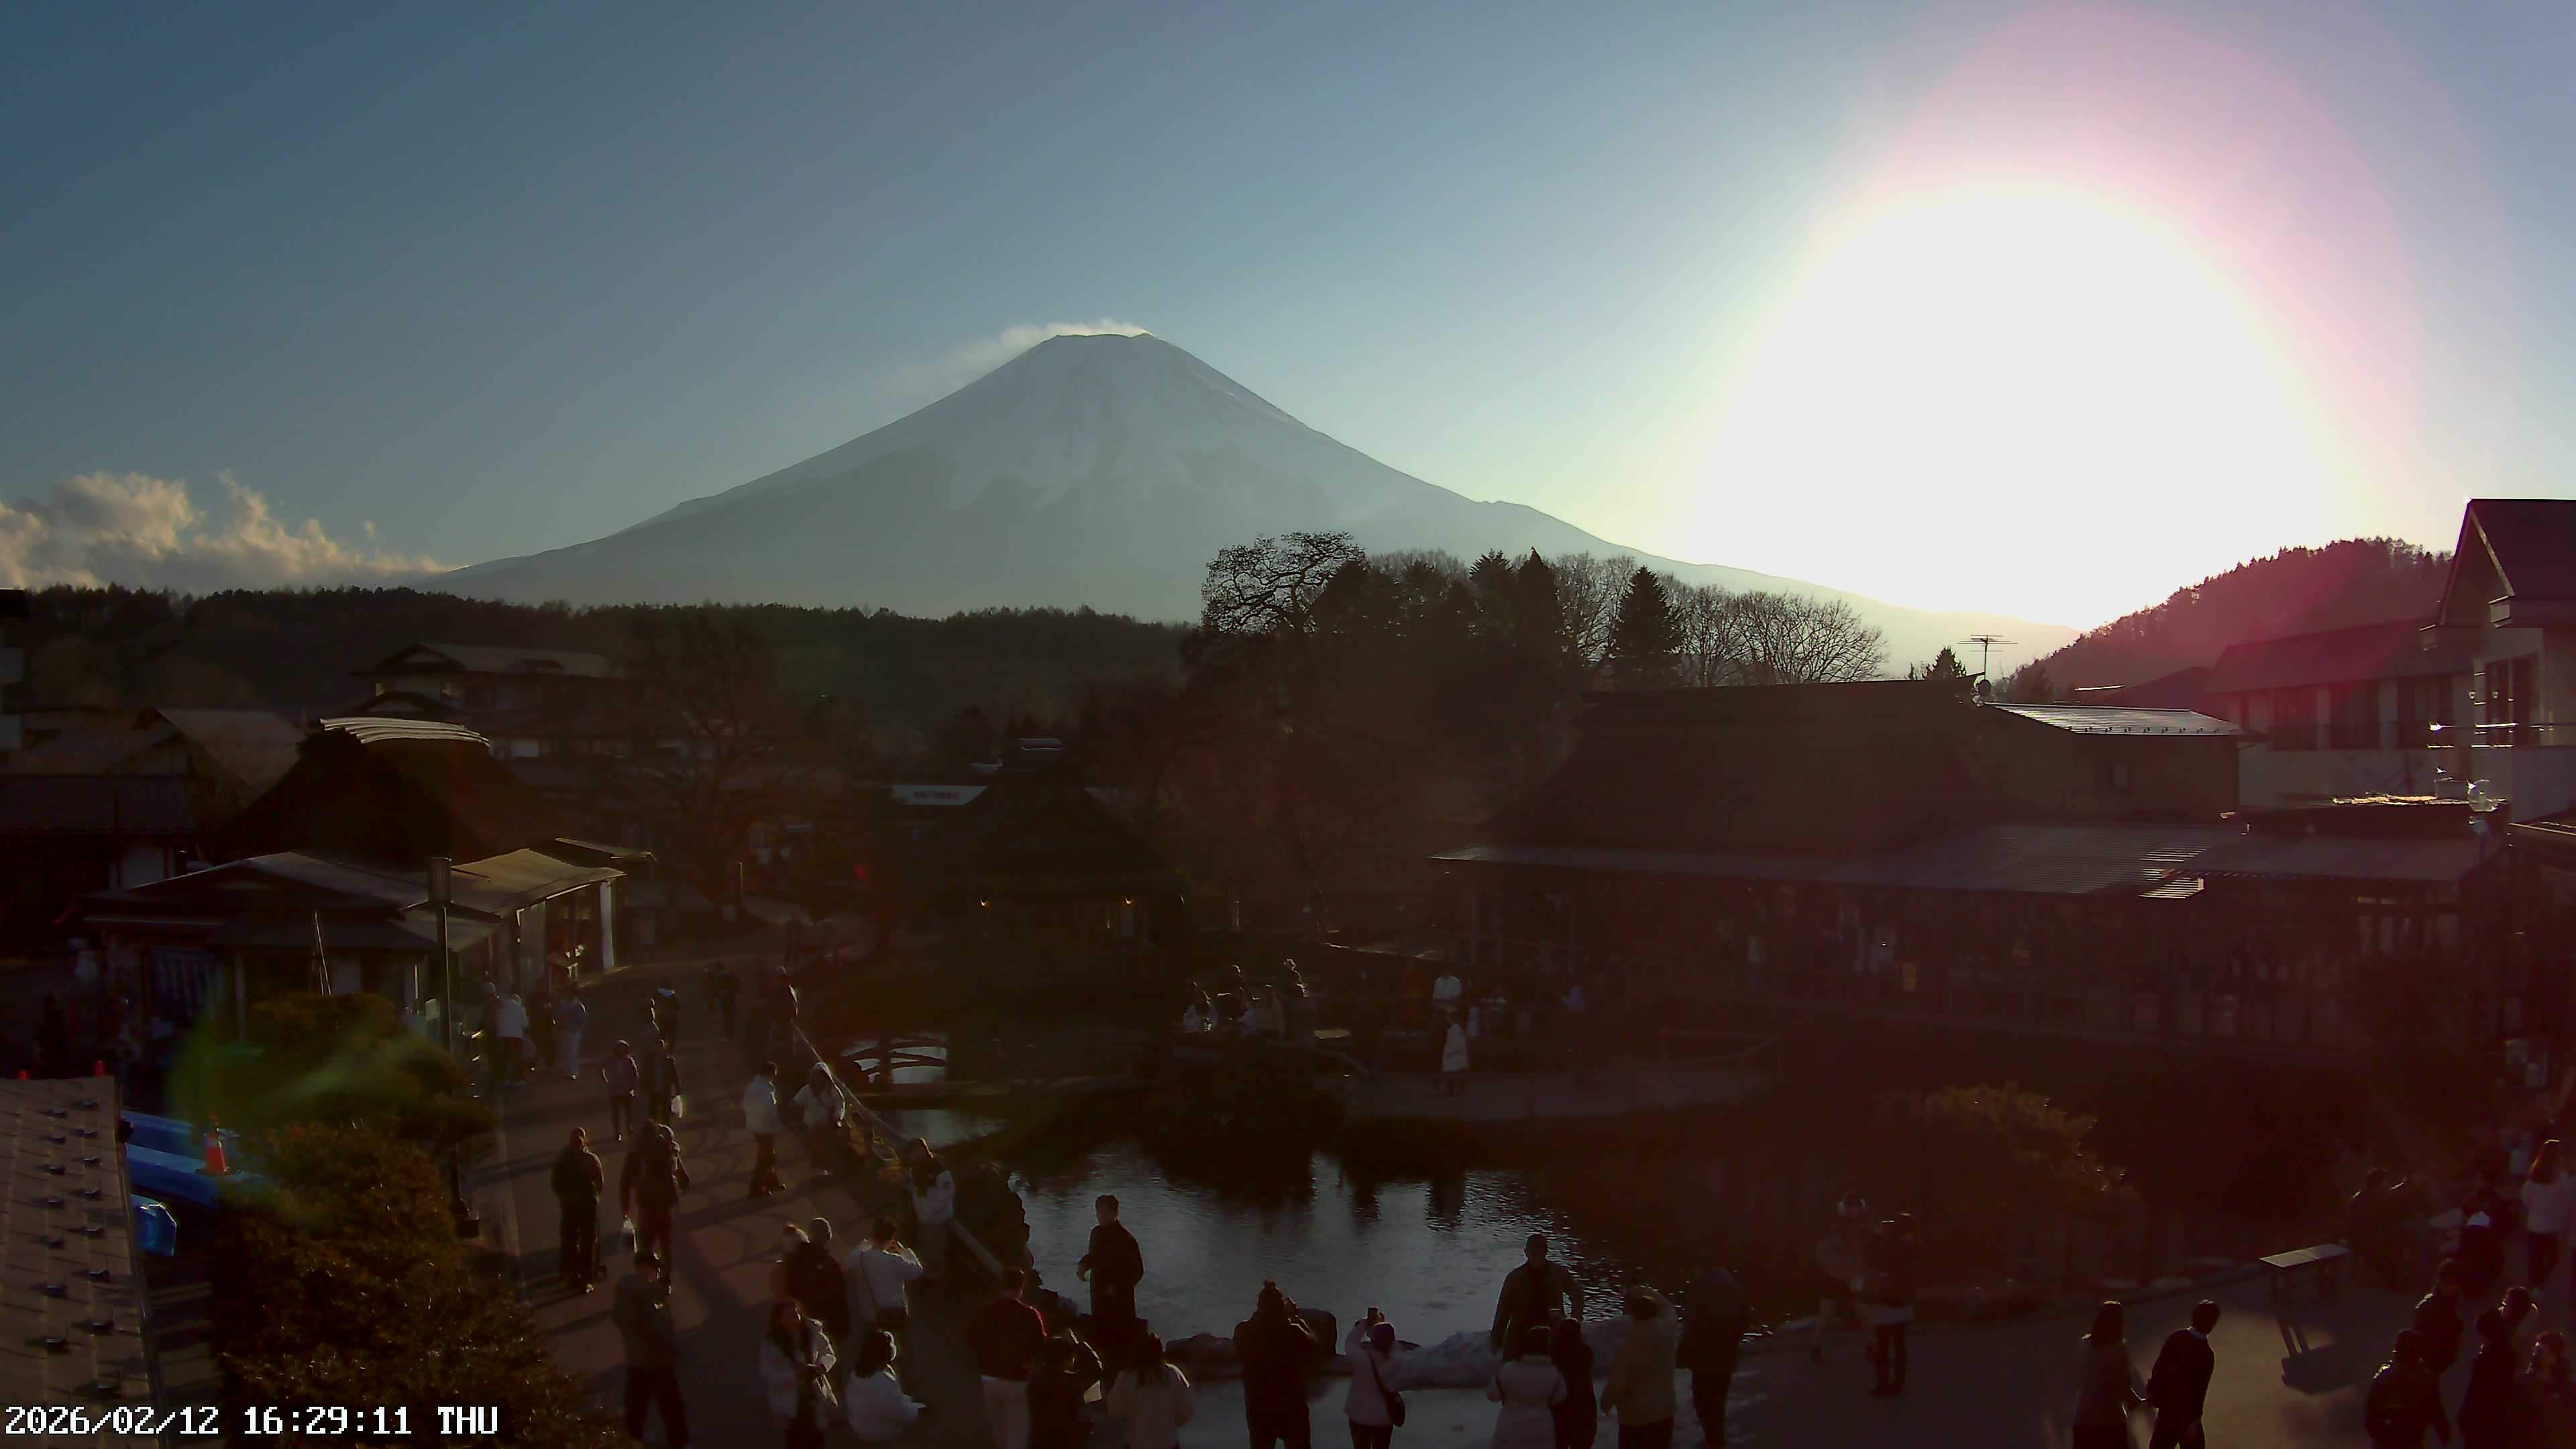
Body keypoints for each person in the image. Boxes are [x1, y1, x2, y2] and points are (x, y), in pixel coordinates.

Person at [614, 1250, 688, 1448]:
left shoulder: (625, 1291)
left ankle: (633, 1438)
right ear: (644, 1268)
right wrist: (671, 1347)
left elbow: (620, 1319)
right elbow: (654, 1327)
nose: (657, 1273)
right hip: (656, 1358)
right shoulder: (646, 1294)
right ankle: (679, 1442)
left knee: (636, 1402)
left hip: (636, 1357)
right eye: (655, 1268)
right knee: (671, 1404)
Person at [1238, 1281, 1324, 1449]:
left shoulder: (1243, 1331)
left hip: (1258, 1407)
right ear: (1281, 1308)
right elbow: (1315, 1345)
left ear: (1259, 1306)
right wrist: (1296, 1318)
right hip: (1291, 1406)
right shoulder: (1294, 1332)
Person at [970, 1268, 1049, 1449]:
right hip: (1017, 1378)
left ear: (1000, 1286)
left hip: (988, 1375)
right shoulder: (1029, 1315)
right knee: (1017, 1430)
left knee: (997, 1426)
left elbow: (971, 1340)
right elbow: (1040, 1346)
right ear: (1021, 1288)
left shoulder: (984, 1311)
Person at [847, 1216, 926, 1384]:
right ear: (891, 1238)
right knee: (906, 1353)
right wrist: (903, 1251)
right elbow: (917, 1270)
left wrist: (867, 1242)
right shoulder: (893, 1261)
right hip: (895, 1314)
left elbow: (850, 1261)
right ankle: (909, 1384)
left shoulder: (859, 1258)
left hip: (871, 1314)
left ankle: (872, 1381)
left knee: (871, 1351)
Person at [1601, 1287, 1677, 1449]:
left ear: (1633, 1315)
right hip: (1664, 1413)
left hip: (1636, 1419)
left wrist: (1606, 1403)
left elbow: (1618, 1383)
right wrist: (1646, 1290)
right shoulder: (1669, 1331)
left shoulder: (1629, 1347)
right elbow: (1668, 1307)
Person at [760, 1297, 840, 1449]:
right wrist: (795, 1375)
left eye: (796, 1314)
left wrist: (822, 1366)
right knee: (795, 1441)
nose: (794, 1320)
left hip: (814, 1395)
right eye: (787, 1317)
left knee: (818, 1439)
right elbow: (768, 1374)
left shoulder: (812, 1332)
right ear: (779, 1320)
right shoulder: (771, 1344)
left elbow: (828, 1353)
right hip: (790, 1402)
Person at [1678, 1266, 1746, 1445]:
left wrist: (1683, 1352)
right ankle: (1717, 1437)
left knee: (1703, 1401)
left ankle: (1713, 1438)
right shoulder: (1736, 1289)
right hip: (1726, 1355)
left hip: (1705, 1358)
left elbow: (1692, 1327)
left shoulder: (1702, 1291)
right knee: (1718, 1399)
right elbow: (1744, 1321)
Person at [2145, 1299, 2220, 1449]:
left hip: (2167, 1410)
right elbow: (2199, 1392)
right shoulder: (2205, 1354)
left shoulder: (2176, 1338)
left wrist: (2152, 1392)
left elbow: (2159, 1368)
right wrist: (2194, 1421)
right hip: (2187, 1416)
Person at [1493, 1236, 1585, 1354]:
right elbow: (1503, 1310)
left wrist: (1574, 1319)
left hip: (1553, 1331)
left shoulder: (1558, 1273)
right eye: (1533, 1253)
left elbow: (1577, 1293)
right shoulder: (1514, 1278)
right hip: (1521, 1333)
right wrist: (1497, 1340)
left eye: (1540, 1253)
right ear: (1526, 1253)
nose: (1536, 1257)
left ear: (1546, 1253)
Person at [1862, 1214, 1921, 1397]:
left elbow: (1870, 1258)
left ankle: (1882, 1384)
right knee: (1900, 1343)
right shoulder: (1913, 1246)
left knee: (1883, 1343)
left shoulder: (1886, 1245)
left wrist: (1877, 1235)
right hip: (1904, 1300)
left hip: (1885, 1299)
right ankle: (1898, 1382)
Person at [2073, 1301, 2144, 1449]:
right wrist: (2140, 1401)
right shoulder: (2117, 1350)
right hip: (2109, 1420)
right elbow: (2123, 1386)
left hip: (2083, 1417)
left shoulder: (2084, 1344)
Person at [1079, 1193, 1144, 1351]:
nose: (1100, 1216)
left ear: (1115, 1213)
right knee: (1101, 1333)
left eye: (1105, 1212)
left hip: (1119, 1299)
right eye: (1098, 1212)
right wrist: (1083, 1265)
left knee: (1120, 1337)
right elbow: (1094, 1256)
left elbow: (1138, 1271)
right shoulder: (1096, 1233)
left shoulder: (1126, 1239)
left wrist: (1117, 1286)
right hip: (1098, 1293)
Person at [619, 1122, 690, 1267]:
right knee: (666, 1244)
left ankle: (646, 1277)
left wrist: (625, 1209)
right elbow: (684, 1180)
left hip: (646, 1204)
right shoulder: (666, 1150)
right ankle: (666, 1279)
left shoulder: (635, 1155)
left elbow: (625, 1183)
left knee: (646, 1245)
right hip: (665, 1205)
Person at [1106, 1334, 1195, 1449]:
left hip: (1137, 1443)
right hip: (1167, 1443)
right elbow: (1186, 1409)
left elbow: (1115, 1411)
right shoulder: (1173, 1374)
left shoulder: (1126, 1377)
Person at [1488, 1325, 1569, 1449]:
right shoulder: (1555, 1372)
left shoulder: (1509, 1369)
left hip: (1510, 1427)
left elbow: (1493, 1395)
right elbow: (1559, 1398)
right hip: (1542, 1426)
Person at [845, 1328, 928, 1447]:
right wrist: (918, 1409)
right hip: (877, 1432)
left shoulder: (857, 1374)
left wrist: (910, 1400)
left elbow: (887, 1402)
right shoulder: (883, 1381)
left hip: (860, 1425)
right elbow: (900, 1412)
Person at [1812, 1193, 1870, 1365]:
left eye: (1858, 1207)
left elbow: (1867, 1254)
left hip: (1854, 1277)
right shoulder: (1835, 1230)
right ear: (1845, 1209)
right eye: (1853, 1207)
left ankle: (1871, 1347)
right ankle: (1815, 1347)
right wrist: (1846, 1270)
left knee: (1864, 1315)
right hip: (1835, 1278)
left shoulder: (1863, 1230)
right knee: (1826, 1315)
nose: (1856, 1210)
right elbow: (1824, 1256)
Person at [2367, 1329, 2450, 1447]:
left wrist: (2380, 1434)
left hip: (2386, 1441)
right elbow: (2436, 1411)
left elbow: (2371, 1413)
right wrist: (2444, 1434)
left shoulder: (2385, 1377)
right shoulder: (2425, 1378)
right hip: (2412, 1441)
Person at [550, 1126, 606, 1293]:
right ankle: (586, 1278)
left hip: (569, 1206)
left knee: (571, 1240)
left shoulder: (561, 1160)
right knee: (587, 1242)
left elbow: (555, 1185)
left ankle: (573, 1274)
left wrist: (565, 1196)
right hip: (588, 1205)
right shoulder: (591, 1160)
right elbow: (600, 1183)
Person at [1029, 1334, 1106, 1449]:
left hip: (1039, 1439)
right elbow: (1096, 1369)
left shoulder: (1034, 1379)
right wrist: (1078, 1345)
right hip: (1066, 1439)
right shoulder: (1068, 1381)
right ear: (1068, 1358)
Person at [784, 1217, 850, 1345]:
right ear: (829, 1237)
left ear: (810, 1235)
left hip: (797, 1318)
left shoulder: (795, 1258)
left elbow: (788, 1287)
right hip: (822, 1323)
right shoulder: (832, 1265)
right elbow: (838, 1300)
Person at [1344, 1308, 1403, 1449]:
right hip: (1383, 1418)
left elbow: (1350, 1342)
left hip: (1358, 1415)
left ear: (1373, 1339)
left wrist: (1365, 1324)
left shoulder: (1361, 1358)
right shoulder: (1397, 1360)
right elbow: (1392, 1343)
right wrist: (1382, 1325)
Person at [2459, 1309, 2514, 1449]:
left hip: (2480, 1421)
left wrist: (2465, 1415)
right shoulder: (2507, 1354)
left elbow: (2476, 1390)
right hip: (2497, 1420)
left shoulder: (2486, 1360)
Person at [2517, 1330, 2576, 1448]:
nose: (2536, 1356)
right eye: (2536, 1352)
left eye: (2541, 1353)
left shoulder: (2566, 1390)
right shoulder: (2524, 1384)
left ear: (2554, 1356)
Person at [2530, 1142, 2576, 1293]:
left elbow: (2525, 1195)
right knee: (2551, 1257)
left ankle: (2538, 1285)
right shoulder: (2564, 1179)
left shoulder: (2536, 1173)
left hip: (2538, 1224)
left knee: (2537, 1256)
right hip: (2551, 1225)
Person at [909, 1143, 957, 1281]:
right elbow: (917, 1190)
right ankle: (924, 1276)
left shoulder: (939, 1169)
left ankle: (936, 1281)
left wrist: (931, 1208)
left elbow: (949, 1191)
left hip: (937, 1219)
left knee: (935, 1252)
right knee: (924, 1248)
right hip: (924, 1218)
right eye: (913, 1152)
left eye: (918, 1151)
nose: (916, 1154)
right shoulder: (916, 1169)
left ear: (925, 1150)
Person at [791, 1065, 847, 1181]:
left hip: (827, 1124)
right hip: (812, 1125)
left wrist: (838, 1117)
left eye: (821, 1075)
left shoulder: (833, 1090)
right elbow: (797, 1101)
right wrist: (795, 1106)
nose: (819, 1078)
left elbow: (840, 1105)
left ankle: (828, 1173)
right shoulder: (807, 1090)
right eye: (816, 1075)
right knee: (815, 1149)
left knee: (828, 1149)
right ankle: (818, 1174)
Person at [743, 1060, 790, 1198]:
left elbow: (745, 1105)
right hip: (764, 1128)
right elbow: (769, 1110)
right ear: (767, 1074)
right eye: (774, 1074)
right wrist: (778, 1123)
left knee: (769, 1156)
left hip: (757, 1126)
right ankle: (756, 1188)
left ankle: (772, 1182)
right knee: (766, 1159)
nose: (775, 1077)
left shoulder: (753, 1087)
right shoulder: (764, 1089)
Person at [1551, 1315, 1598, 1449]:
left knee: (1559, 1441)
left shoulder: (1556, 1352)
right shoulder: (1585, 1351)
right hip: (1584, 1404)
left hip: (1561, 1406)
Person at [2418, 1258, 2469, 1378]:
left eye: (2455, 1283)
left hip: (2443, 1359)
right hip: (2431, 1360)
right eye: (2448, 1283)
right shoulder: (2428, 1308)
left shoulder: (2450, 1300)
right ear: (2440, 1282)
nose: (2452, 1287)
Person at [602, 1039, 640, 1143]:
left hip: (626, 1090)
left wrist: (632, 1086)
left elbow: (635, 1074)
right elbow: (601, 1068)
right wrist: (605, 1080)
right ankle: (617, 1132)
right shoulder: (611, 1060)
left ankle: (629, 1127)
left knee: (628, 1112)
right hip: (614, 1091)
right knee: (615, 1113)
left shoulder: (629, 1060)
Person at [644, 1037, 683, 1127]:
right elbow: (645, 1075)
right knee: (653, 1114)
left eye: (659, 1047)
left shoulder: (669, 1061)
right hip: (653, 1091)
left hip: (665, 1091)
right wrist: (645, 1087)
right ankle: (654, 1130)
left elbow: (675, 1075)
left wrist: (678, 1089)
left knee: (665, 1113)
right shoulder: (650, 1061)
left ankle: (665, 1130)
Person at [494, 992, 531, 1082]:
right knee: (517, 1058)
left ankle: (504, 1078)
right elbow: (525, 1025)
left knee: (504, 1058)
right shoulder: (521, 1009)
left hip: (502, 1036)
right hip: (516, 1036)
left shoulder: (501, 1008)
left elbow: (497, 1022)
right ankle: (518, 1079)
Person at [555, 990, 589, 1079]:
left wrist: (572, 1018)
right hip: (564, 1031)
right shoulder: (562, 1004)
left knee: (572, 1051)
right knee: (565, 1051)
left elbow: (582, 1019)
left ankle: (573, 1072)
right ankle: (568, 1070)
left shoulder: (578, 1006)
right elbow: (557, 1016)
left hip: (574, 1032)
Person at [2508, 1287, 2544, 1364]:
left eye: (2508, 1301)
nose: (2505, 1303)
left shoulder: (2528, 1318)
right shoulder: (2506, 1312)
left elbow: (2519, 1339)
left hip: (2517, 1356)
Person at [1440, 1012, 1471, 1096]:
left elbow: (1457, 1045)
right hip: (1459, 1056)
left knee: (1450, 1075)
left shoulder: (1454, 1031)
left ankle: (1452, 1094)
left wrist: (1448, 1054)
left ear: (1451, 1019)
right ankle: (1460, 1092)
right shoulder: (1459, 1030)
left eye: (1448, 1018)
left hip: (1453, 1057)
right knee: (1460, 1074)